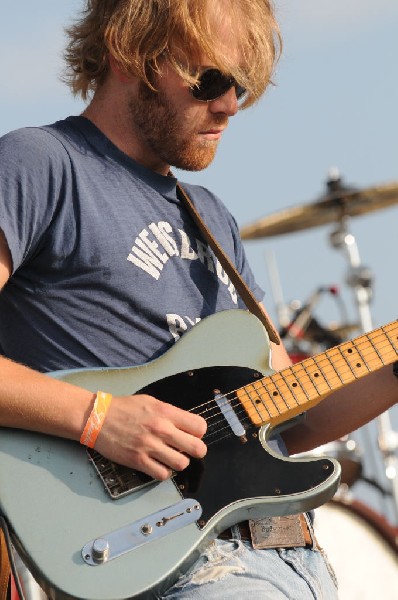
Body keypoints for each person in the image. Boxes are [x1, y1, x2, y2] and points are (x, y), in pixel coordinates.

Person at [0, 1, 397, 599]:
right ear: (128, 53)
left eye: (241, 85)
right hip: (158, 558)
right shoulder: (41, 164)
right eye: (209, 80)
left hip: (291, 564)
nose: (230, 105)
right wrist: (98, 419)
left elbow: (294, 414)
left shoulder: (211, 217)